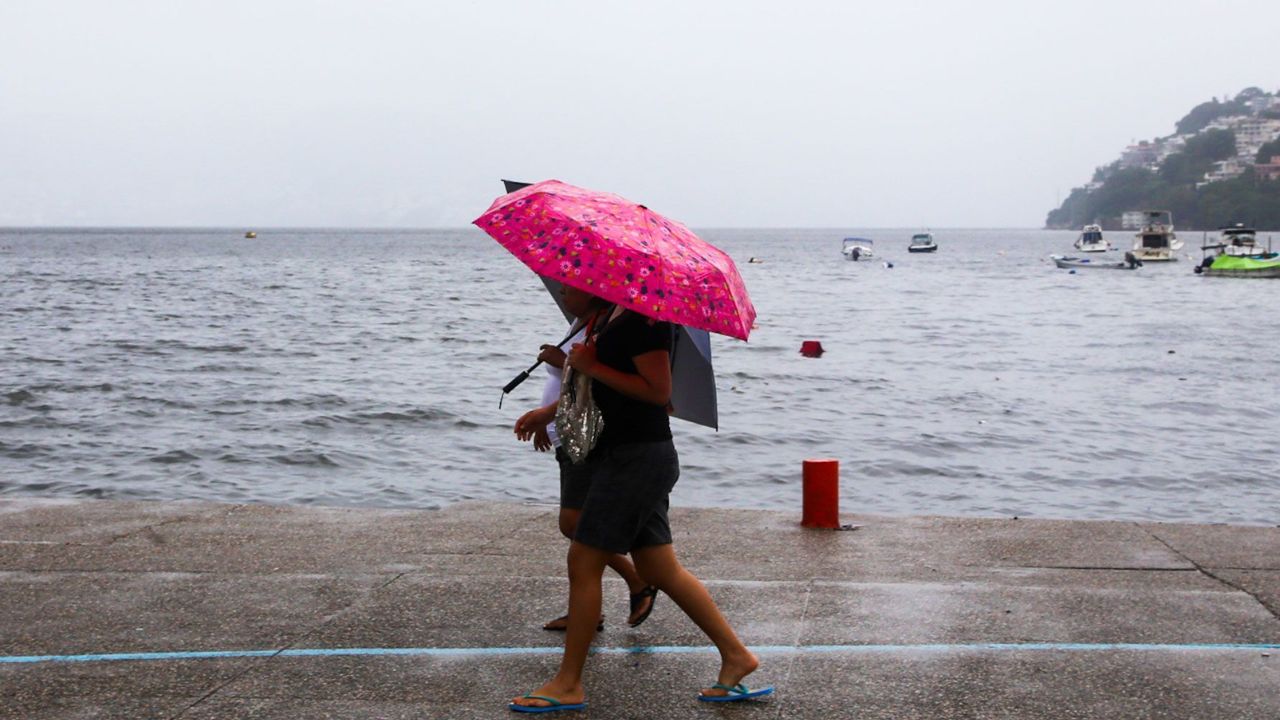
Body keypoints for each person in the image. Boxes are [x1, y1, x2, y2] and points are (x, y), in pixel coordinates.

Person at [509, 285, 770, 713]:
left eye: (570, 283)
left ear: (597, 282)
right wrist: (569, 384)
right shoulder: (609, 317)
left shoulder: (644, 323)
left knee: (583, 558)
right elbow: (600, 391)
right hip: (624, 454)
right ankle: (737, 656)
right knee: (658, 567)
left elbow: (658, 393)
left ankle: (568, 682)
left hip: (638, 459)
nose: (562, 289)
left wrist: (592, 366)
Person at [515, 288, 659, 632]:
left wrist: (559, 362)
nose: (563, 294)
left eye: (569, 289)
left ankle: (633, 582)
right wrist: (548, 421)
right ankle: (586, 609)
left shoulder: (605, 328)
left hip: (584, 435)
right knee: (579, 533)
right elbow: (573, 382)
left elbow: (593, 379)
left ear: (592, 293)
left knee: (575, 526)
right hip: (567, 432)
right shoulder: (585, 323)